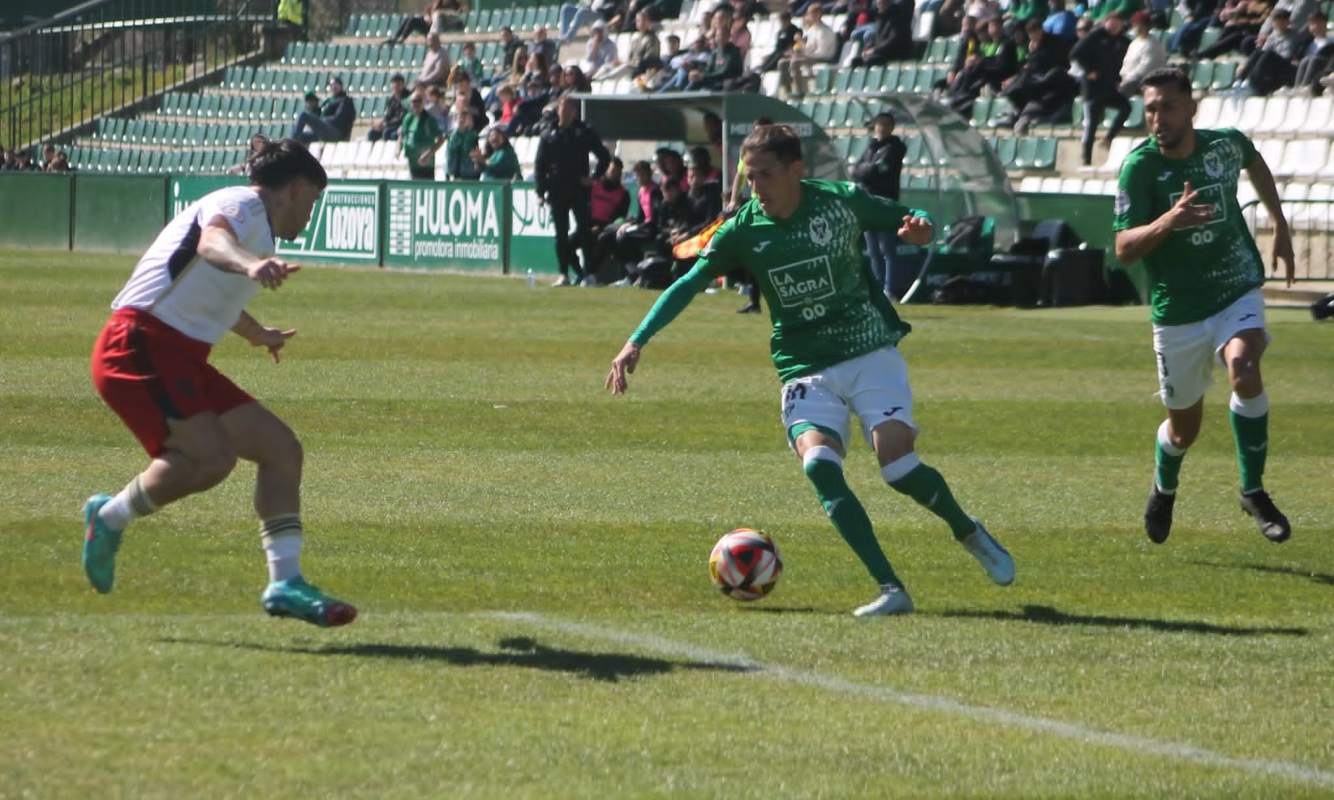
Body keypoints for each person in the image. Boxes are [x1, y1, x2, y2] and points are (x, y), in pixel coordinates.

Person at [604, 125, 1016, 617]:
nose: (756, 187)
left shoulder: (840, 202)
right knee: (819, 464)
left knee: (897, 466)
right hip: (804, 365)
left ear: (796, 170)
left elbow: (911, 216)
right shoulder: (743, 229)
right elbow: (688, 284)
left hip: (869, 351)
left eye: (766, 175)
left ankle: (967, 531)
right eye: (750, 176)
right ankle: (891, 589)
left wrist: (920, 228)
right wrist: (636, 341)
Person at [82, 139, 357, 627]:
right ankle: (108, 520)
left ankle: (285, 581)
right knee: (211, 460)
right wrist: (251, 265)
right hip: (139, 343)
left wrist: (257, 333)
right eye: (313, 201)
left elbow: (210, 288)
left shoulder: (259, 231)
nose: (310, 215)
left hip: (178, 356)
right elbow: (212, 244)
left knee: (281, 449)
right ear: (294, 189)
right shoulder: (243, 205)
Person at [1111, 68, 1295, 545]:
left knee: (1245, 368)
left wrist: (1279, 223)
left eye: (1168, 106)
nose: (1157, 118)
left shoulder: (1224, 145)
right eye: (1150, 108)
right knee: (1182, 430)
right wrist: (1168, 220)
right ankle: (1164, 486)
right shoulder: (1141, 168)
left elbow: (1255, 163)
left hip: (1235, 287)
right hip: (1178, 311)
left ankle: (1253, 490)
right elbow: (1124, 248)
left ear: (1192, 108)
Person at [534, 93, 612, 286]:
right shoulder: (549, 133)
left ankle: (589, 273)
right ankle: (564, 273)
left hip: (579, 189)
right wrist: (540, 190)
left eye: (571, 108)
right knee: (561, 234)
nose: (567, 111)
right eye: (564, 107)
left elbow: (603, 156)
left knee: (585, 231)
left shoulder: (584, 132)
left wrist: (594, 178)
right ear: (558, 109)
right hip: (557, 189)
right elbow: (540, 164)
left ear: (576, 111)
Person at [851, 112, 907, 296]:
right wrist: (864, 170)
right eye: (878, 124)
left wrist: (864, 170)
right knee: (873, 249)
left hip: (885, 203)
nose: (881, 128)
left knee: (886, 248)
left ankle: (890, 289)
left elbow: (875, 171)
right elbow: (856, 170)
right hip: (868, 202)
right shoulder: (872, 148)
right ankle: (877, 287)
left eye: (885, 125)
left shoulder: (894, 148)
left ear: (891, 128)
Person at [1070, 12, 1131, 166]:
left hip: (1109, 87)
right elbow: (1075, 54)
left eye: (1119, 23)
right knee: (1091, 125)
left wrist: (1118, 78)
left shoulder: (1121, 40)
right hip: (1092, 89)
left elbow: (1117, 61)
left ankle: (1108, 138)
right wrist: (1088, 70)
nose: (1116, 26)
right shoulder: (1095, 35)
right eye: (1113, 22)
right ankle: (1086, 160)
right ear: (1106, 22)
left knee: (1126, 107)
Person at [780, 5, 839, 97]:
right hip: (813, 56)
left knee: (795, 62)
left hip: (824, 57)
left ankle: (800, 92)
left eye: (811, 14)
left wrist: (804, 53)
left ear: (819, 14)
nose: (809, 16)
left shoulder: (825, 31)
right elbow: (809, 48)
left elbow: (822, 52)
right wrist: (798, 51)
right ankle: (788, 92)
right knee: (783, 63)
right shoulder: (813, 29)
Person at [289, 77, 356, 143]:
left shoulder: (345, 101)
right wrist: (313, 109)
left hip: (336, 133)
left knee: (303, 115)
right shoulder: (329, 101)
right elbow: (319, 113)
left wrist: (321, 120)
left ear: (341, 86)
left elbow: (339, 119)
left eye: (336, 84)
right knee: (301, 136)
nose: (334, 87)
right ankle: (292, 142)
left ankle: (292, 143)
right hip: (324, 133)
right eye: (331, 85)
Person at [1119, 10, 1167, 96]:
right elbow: (1126, 62)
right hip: (1129, 78)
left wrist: (1128, 79)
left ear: (1146, 26)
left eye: (1138, 25)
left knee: (1121, 91)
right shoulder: (1134, 42)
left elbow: (1145, 68)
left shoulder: (1152, 44)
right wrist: (1123, 75)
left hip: (1146, 80)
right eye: (1134, 25)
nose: (1135, 27)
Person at [400, 91, 446, 180]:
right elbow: (402, 134)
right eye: (414, 101)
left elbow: (441, 139)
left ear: (423, 102)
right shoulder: (408, 118)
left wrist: (429, 153)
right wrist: (398, 148)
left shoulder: (429, 120)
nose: (416, 104)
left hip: (426, 165)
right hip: (412, 162)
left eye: (418, 101)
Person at [1293, 11, 1333, 94]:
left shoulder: (1331, 40)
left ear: (1325, 24)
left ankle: (1305, 86)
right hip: (1305, 65)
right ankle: (1297, 88)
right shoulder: (1306, 42)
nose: (1316, 26)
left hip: (1323, 65)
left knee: (1313, 59)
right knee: (1305, 60)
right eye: (1313, 24)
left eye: (1319, 23)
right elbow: (1297, 58)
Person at [367, 74, 411, 142]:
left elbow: (401, 117)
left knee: (387, 132)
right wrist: (381, 123)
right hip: (390, 125)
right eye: (394, 84)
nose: (395, 87)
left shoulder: (408, 98)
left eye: (398, 84)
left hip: (401, 125)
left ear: (402, 85)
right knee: (372, 133)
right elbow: (388, 115)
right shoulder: (392, 99)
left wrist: (386, 124)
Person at [446, 99, 481, 180]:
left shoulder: (473, 135)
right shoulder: (452, 135)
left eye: (465, 116)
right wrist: (449, 172)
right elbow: (450, 154)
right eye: (460, 116)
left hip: (470, 173)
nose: (462, 119)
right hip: (455, 173)